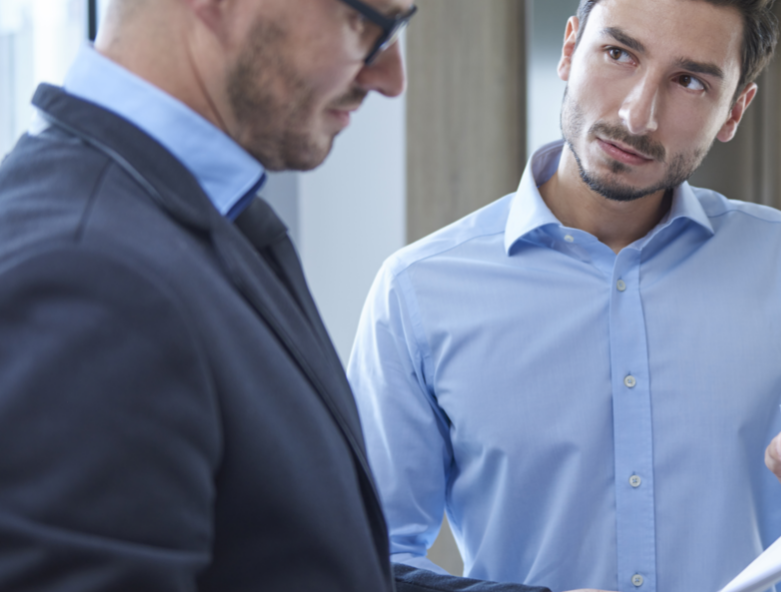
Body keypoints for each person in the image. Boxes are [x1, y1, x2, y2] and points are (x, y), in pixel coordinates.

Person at [0, 1, 602, 591]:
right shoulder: (90, 277)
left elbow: (309, 561)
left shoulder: (199, 220)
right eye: (368, 21)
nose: (390, 78)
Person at [348, 1, 781, 591]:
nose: (638, 116)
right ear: (569, 49)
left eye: (689, 81)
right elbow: (366, 555)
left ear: (735, 111)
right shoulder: (417, 291)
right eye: (617, 53)